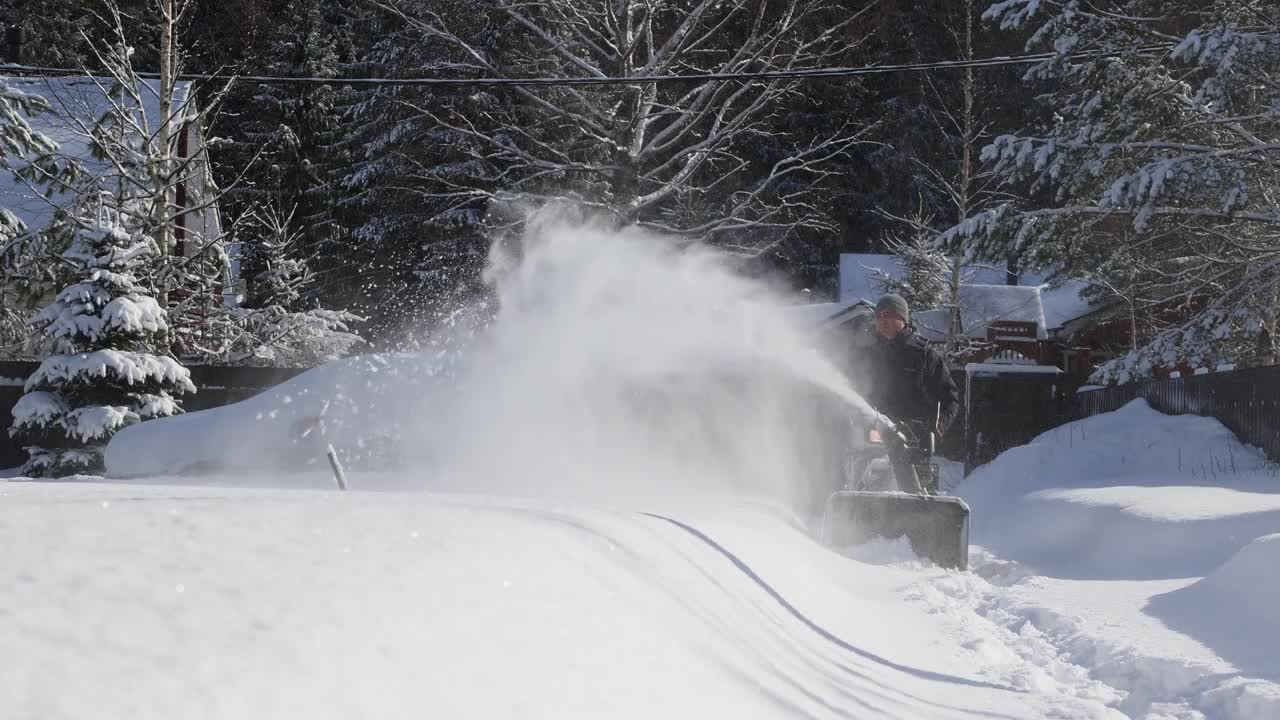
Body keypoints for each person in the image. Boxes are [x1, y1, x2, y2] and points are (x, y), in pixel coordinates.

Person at [857, 293, 960, 493]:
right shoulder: (869, 354)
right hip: (875, 438)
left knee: (915, 492)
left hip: (914, 442)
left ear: (902, 319)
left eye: (887, 315)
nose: (881, 320)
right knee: (866, 483)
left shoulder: (924, 355)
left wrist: (936, 429)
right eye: (878, 316)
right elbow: (856, 389)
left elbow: (951, 398)